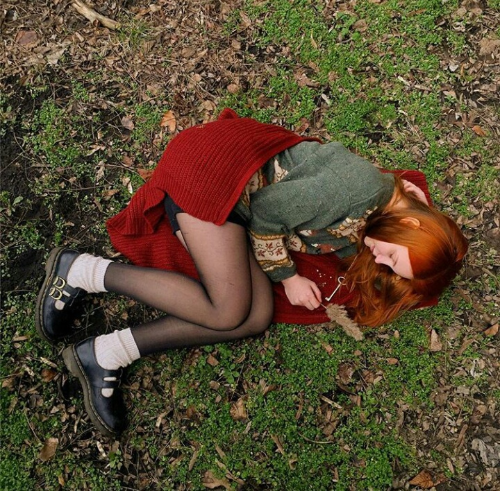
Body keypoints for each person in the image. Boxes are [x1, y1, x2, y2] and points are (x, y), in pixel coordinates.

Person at [35, 109, 468, 437]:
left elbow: (364, 250)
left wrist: (394, 276)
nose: (380, 259)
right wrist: (288, 277)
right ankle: (82, 270)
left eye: (390, 266)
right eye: (392, 256)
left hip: (239, 203)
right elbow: (267, 213)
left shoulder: (387, 216)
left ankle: (104, 354)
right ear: (411, 223)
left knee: (255, 318)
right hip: (216, 175)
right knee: (227, 309)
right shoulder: (357, 190)